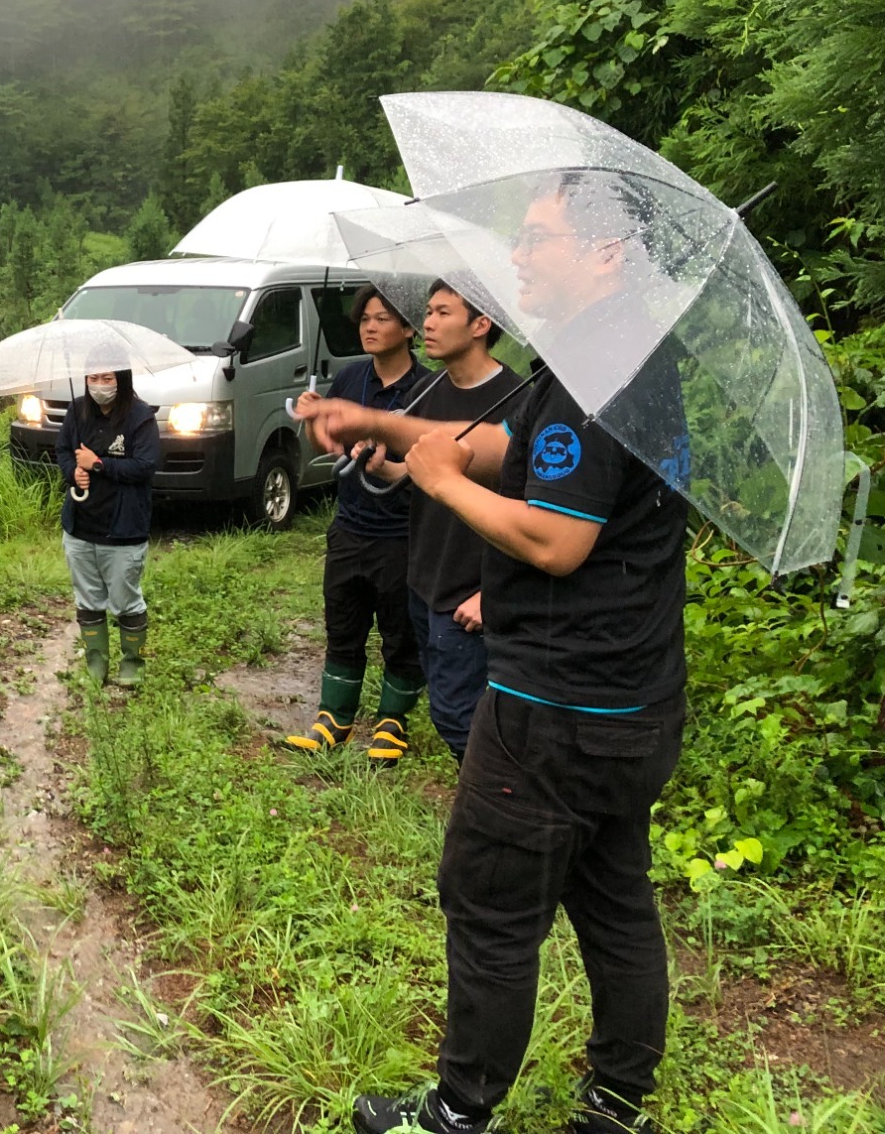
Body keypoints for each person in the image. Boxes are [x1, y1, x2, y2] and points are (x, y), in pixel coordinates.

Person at [303, 176, 689, 1134]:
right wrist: (387, 425)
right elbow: (502, 449)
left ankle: (456, 1110)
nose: (516, 256)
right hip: (633, 701)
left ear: (604, 254)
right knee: (613, 898)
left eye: (538, 238)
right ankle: (618, 1101)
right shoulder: (619, 353)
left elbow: (557, 539)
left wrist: (432, 478)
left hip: (553, 707)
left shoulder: (599, 368)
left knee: (488, 902)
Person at [355, 280, 522, 765]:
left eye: (443, 312)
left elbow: (533, 506)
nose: (427, 323)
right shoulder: (430, 389)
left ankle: (498, 809)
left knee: (458, 715)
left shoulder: (514, 401)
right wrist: (390, 469)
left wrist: (492, 593)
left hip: (470, 590)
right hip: (425, 577)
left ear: (480, 325)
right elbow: (429, 468)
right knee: (447, 707)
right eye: (427, 311)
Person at [283, 285, 429, 765]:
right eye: (365, 318)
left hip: (404, 533)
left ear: (409, 329)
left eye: (382, 318)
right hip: (350, 525)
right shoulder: (348, 379)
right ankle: (334, 718)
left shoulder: (430, 390)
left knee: (400, 629)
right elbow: (328, 443)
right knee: (342, 622)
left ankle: (392, 722)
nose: (369, 326)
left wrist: (392, 467)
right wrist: (311, 416)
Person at [56, 367, 161, 686]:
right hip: (81, 525)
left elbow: (144, 466)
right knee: (88, 599)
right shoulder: (76, 411)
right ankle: (95, 664)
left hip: (124, 528)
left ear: (122, 379)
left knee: (126, 600)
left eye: (107, 379)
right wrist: (74, 471)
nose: (99, 386)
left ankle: (133, 664)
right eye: (93, 379)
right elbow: (62, 451)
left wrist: (98, 464)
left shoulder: (141, 417)